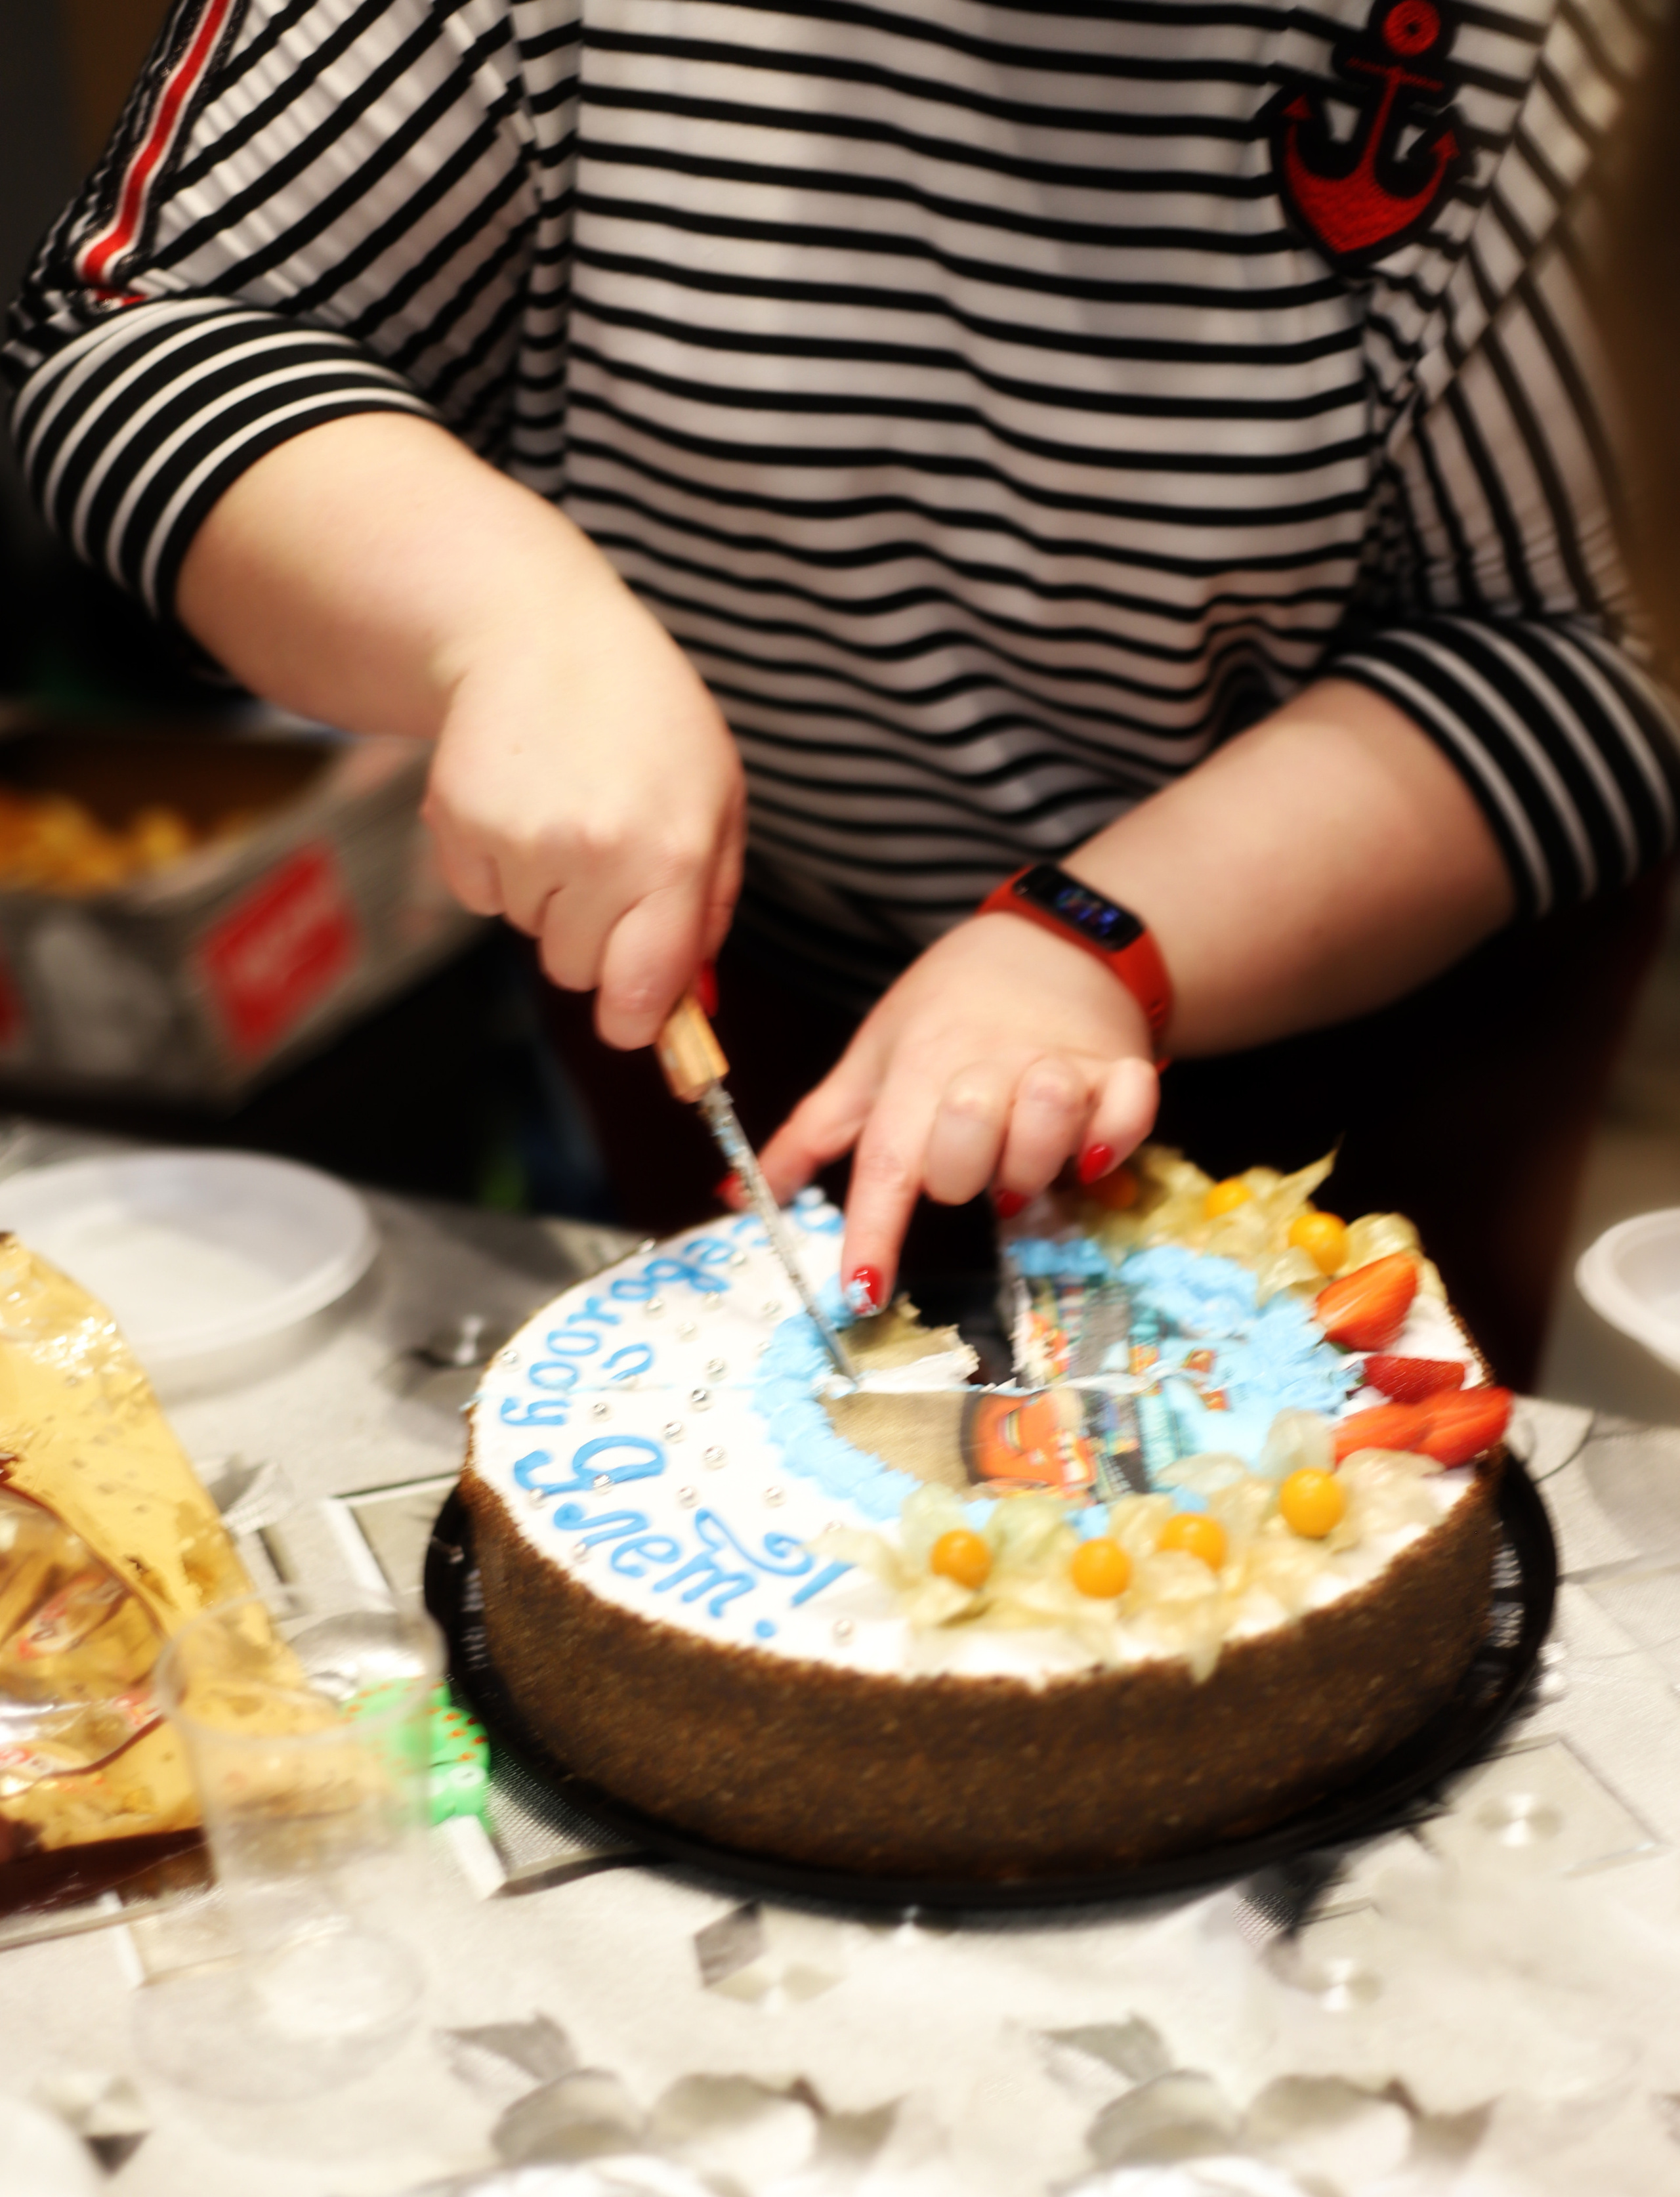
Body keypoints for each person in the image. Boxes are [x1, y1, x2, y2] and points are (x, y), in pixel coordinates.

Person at [6, 0, 1677, 1381]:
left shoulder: (1544, 49)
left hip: (1352, 1045)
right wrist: (503, 623)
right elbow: (131, 333)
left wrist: (1095, 939)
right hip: (756, 1002)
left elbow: (1588, 649)